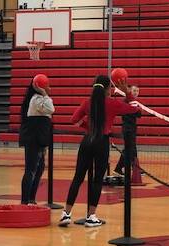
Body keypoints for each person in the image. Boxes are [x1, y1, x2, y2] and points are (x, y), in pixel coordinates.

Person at [59, 74, 140, 227]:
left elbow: (74, 119)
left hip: (87, 140)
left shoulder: (87, 102)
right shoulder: (112, 103)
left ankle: (66, 214)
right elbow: (136, 110)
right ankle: (91, 217)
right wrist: (127, 93)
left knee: (78, 177)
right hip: (101, 142)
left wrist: (88, 128)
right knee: (97, 180)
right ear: (108, 89)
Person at [19, 74, 54, 205]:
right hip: (33, 140)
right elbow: (51, 109)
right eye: (47, 86)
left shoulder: (39, 99)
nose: (50, 88)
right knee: (31, 170)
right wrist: (45, 94)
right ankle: (25, 201)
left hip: (39, 140)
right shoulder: (36, 99)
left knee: (39, 169)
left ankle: (31, 199)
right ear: (41, 88)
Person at [114, 84, 141, 176]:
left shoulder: (134, 102)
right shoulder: (126, 100)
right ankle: (119, 168)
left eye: (137, 91)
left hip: (132, 128)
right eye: (134, 91)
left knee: (132, 148)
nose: (136, 93)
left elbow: (138, 114)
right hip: (127, 128)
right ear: (129, 91)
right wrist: (137, 110)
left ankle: (135, 168)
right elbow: (137, 113)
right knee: (129, 149)